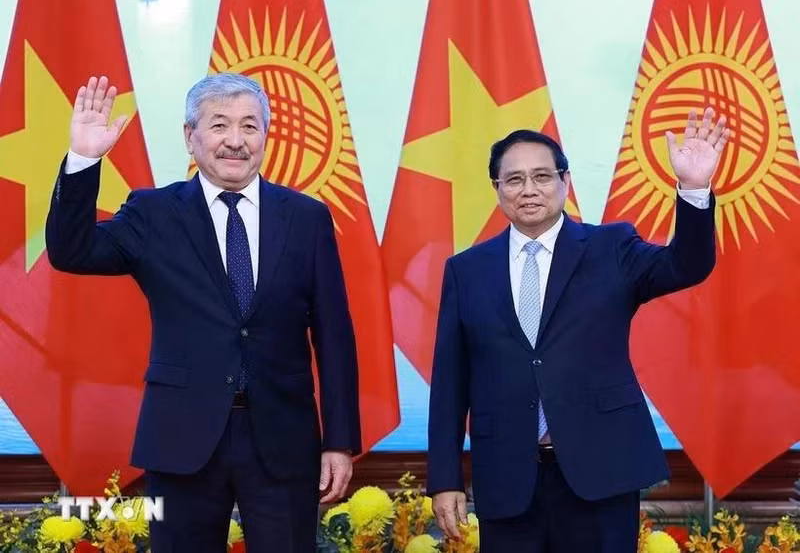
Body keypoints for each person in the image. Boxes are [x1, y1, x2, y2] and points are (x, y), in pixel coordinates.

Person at [45, 73, 361, 552]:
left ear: (266, 137)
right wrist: (85, 158)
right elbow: (71, 251)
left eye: (250, 127)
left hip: (283, 438)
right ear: (190, 136)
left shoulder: (307, 217)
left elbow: (335, 337)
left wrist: (338, 440)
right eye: (219, 125)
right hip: (180, 439)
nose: (235, 141)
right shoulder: (153, 213)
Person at [427, 108, 729, 551]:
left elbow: (687, 264)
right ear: (497, 190)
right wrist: (445, 479)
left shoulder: (611, 247)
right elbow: (450, 384)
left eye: (542, 176)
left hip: (601, 474)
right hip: (507, 478)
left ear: (564, 183)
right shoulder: (465, 270)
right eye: (514, 180)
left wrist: (695, 188)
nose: (528, 189)